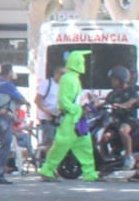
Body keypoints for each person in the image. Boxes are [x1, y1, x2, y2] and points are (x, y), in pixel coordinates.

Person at [40, 49, 98, 182]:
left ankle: (90, 173)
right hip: (71, 118)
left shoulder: (72, 78)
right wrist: (76, 110)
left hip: (76, 117)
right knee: (61, 146)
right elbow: (63, 100)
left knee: (84, 145)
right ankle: (47, 170)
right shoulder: (68, 79)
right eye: (81, 61)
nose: (83, 63)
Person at [33, 60, 65, 152]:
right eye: (63, 74)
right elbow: (37, 100)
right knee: (49, 142)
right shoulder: (47, 83)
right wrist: (47, 111)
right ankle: (46, 157)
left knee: (58, 142)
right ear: (57, 74)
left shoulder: (62, 86)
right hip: (47, 118)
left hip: (57, 116)